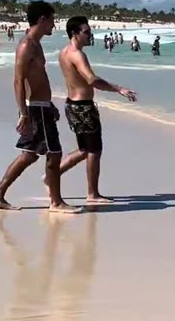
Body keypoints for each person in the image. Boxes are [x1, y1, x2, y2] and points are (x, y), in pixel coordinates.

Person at [0, 1, 79, 213]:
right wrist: (23, 114)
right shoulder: (26, 45)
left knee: (29, 154)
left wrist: (50, 104)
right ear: (42, 20)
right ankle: (56, 202)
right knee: (54, 153)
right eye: (52, 20)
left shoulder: (36, 45)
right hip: (35, 109)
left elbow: (40, 79)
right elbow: (18, 80)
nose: (54, 25)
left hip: (41, 106)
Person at [57, 16, 137, 202]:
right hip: (83, 107)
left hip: (72, 104)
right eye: (86, 32)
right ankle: (92, 193)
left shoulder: (64, 52)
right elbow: (91, 80)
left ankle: (52, 175)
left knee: (85, 149)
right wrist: (119, 89)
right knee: (94, 150)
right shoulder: (77, 54)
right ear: (74, 33)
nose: (89, 35)